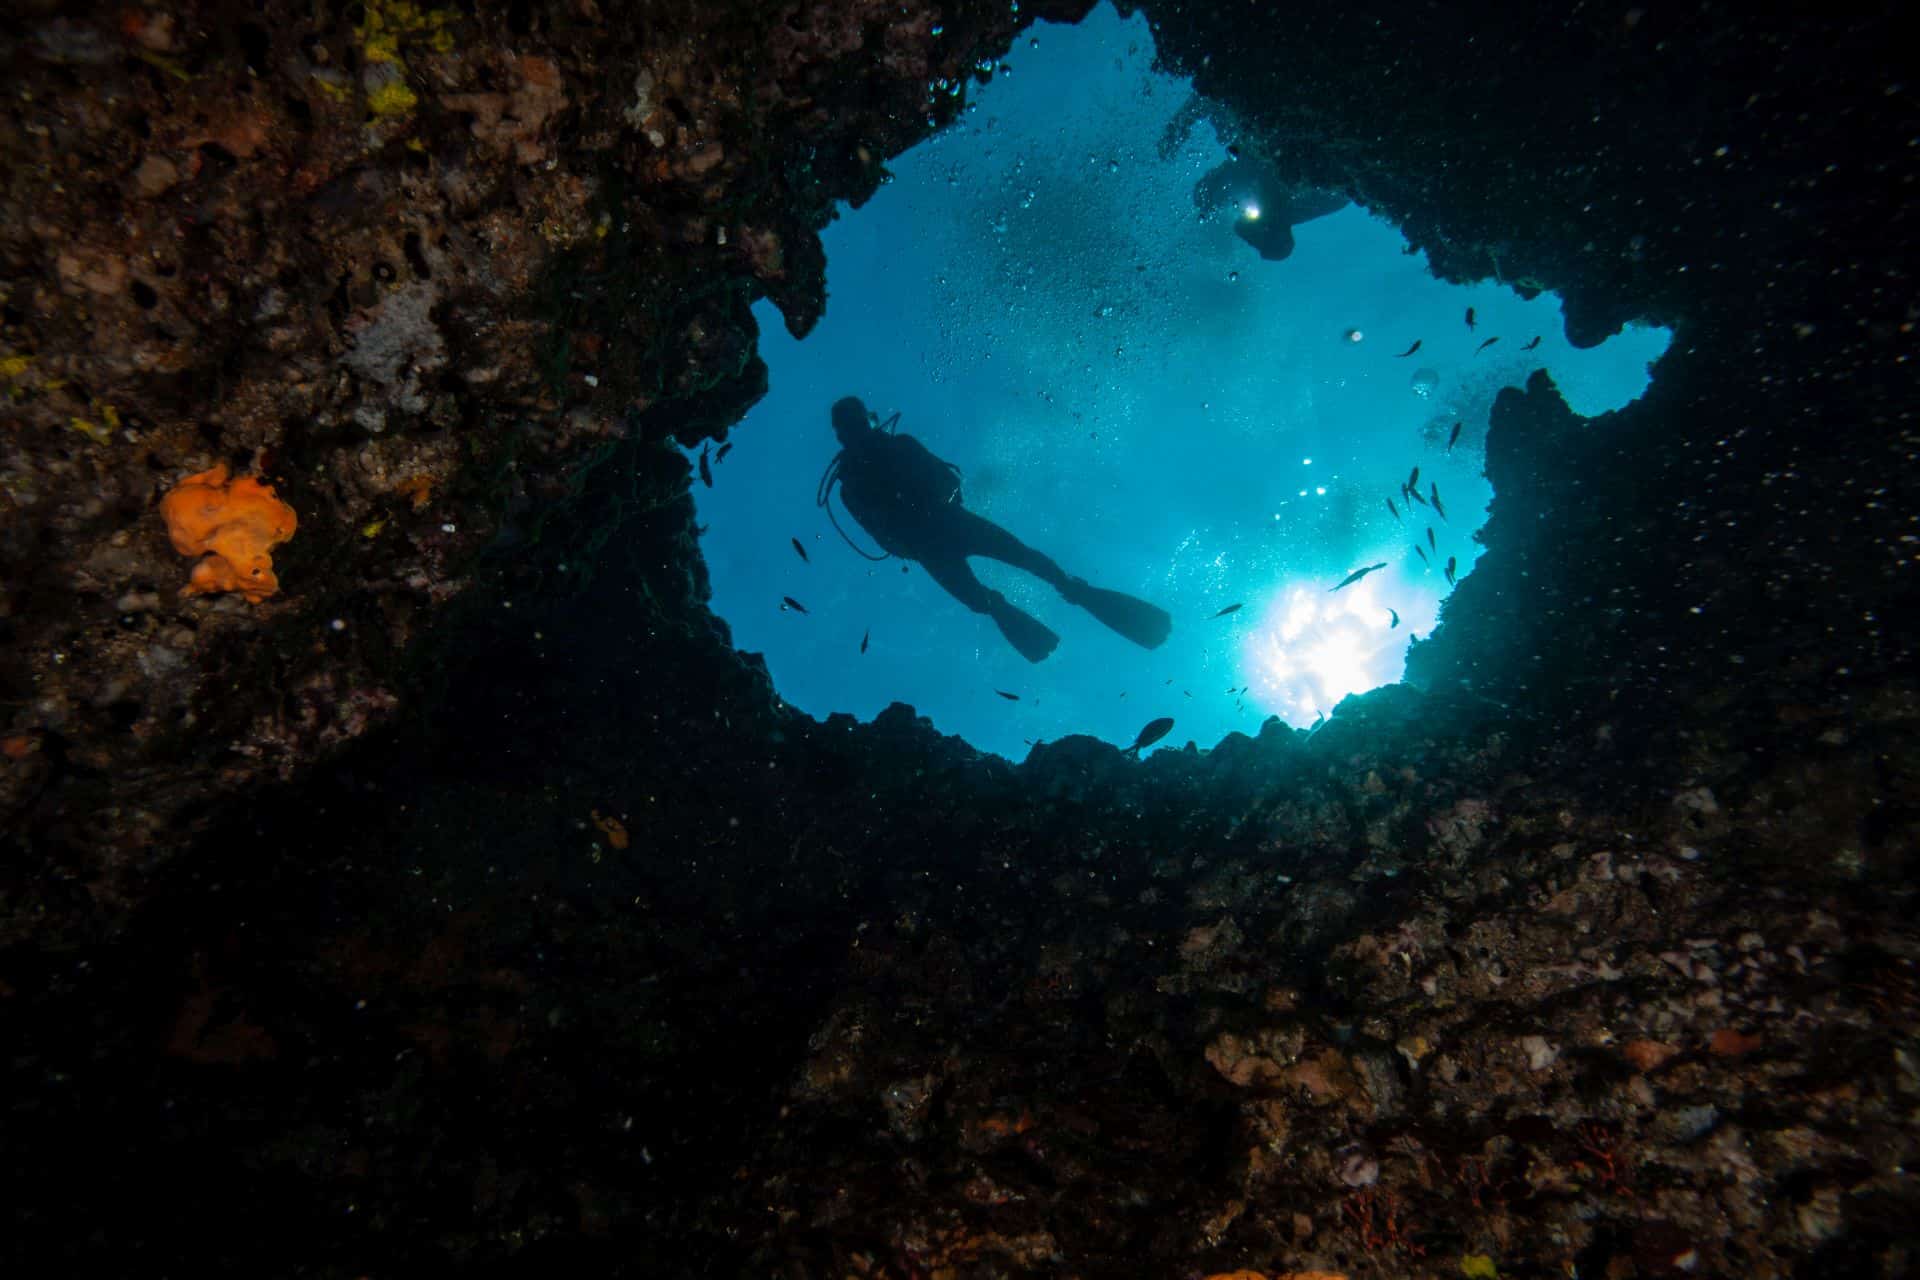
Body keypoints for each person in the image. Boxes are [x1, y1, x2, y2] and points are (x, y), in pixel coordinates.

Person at [818, 396, 1172, 663]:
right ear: (867, 419)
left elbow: (883, 539)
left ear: (840, 434)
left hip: (930, 542)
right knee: (1024, 561)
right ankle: (1068, 589)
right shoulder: (890, 452)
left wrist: (916, 539)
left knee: (989, 591)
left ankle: (1017, 603)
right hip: (951, 524)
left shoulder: (851, 484)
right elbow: (948, 480)